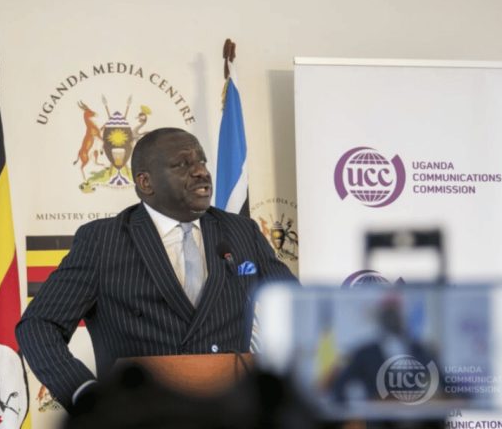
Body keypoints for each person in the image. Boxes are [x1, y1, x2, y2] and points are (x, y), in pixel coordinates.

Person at [16, 127, 296, 413]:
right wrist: (86, 395)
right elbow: (39, 325)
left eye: (201, 161)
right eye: (182, 164)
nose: (201, 172)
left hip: (229, 413)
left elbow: (296, 307)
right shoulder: (103, 241)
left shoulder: (241, 231)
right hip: (142, 416)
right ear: (145, 182)